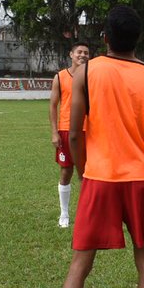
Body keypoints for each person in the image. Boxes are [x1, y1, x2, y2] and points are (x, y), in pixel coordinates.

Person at [36, 5, 144, 288]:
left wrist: (84, 172)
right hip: (142, 180)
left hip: (101, 179)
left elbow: (75, 131)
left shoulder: (86, 71)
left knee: (81, 262)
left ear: (105, 38)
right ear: (138, 38)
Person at [49, 41, 92, 228]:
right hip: (66, 129)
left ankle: (88, 214)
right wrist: (54, 132)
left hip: (89, 130)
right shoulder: (60, 77)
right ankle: (64, 214)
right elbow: (53, 105)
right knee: (66, 171)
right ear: (71, 54)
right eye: (79, 52)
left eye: (86, 53)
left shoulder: (93, 77)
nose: (82, 55)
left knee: (91, 173)